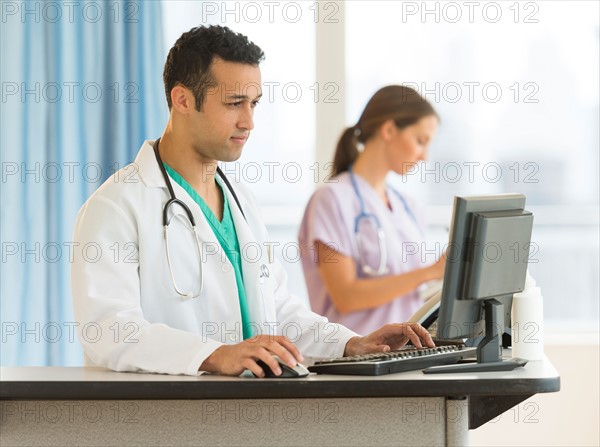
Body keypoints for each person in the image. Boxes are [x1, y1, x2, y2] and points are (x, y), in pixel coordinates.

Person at [71, 26, 434, 378]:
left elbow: (278, 310)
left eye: (254, 103)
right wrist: (213, 354)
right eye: (234, 103)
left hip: (248, 416)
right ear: (182, 100)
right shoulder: (116, 206)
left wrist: (349, 343)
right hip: (166, 422)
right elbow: (108, 330)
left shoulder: (240, 200)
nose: (249, 121)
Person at [298, 85, 446, 335]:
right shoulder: (332, 199)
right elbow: (345, 295)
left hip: (404, 354)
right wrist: (430, 271)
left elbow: (412, 293)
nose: (424, 157)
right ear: (388, 130)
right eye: (420, 141)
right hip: (351, 360)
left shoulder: (409, 207)